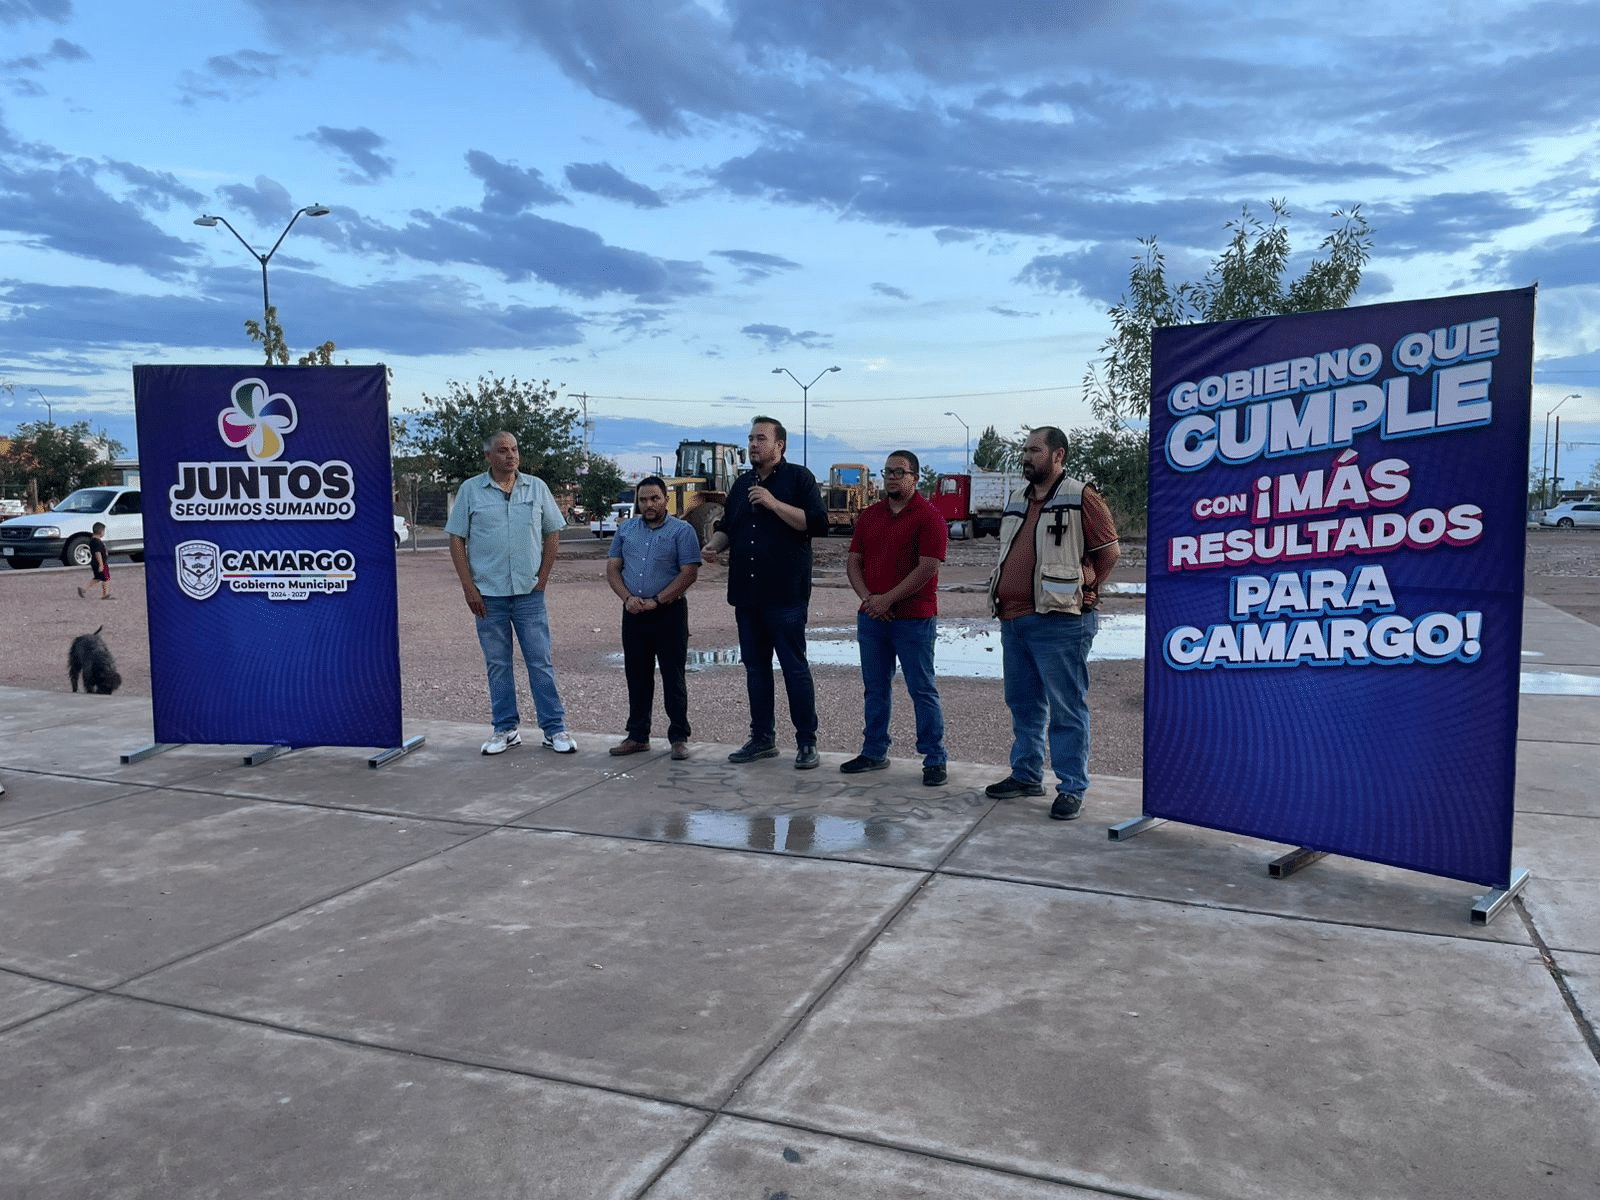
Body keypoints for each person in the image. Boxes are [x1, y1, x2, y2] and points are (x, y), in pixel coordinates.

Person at [985, 426, 1120, 820]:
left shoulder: (1081, 497)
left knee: (1066, 708)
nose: (1027, 457)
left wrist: (1088, 587)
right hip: (1014, 620)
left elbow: (1109, 552)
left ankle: (1072, 787)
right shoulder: (1017, 498)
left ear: (1058, 455)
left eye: (1035, 450)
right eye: (1025, 450)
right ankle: (1026, 774)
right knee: (1023, 704)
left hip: (1061, 622)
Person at [701, 416, 829, 769]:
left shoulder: (799, 479)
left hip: (785, 594)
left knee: (794, 668)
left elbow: (818, 524)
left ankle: (807, 742)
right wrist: (714, 545)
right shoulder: (742, 484)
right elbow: (728, 528)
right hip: (748, 594)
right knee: (756, 669)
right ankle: (762, 739)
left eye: (760, 438)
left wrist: (774, 504)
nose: (753, 445)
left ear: (779, 445)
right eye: (750, 439)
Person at [446, 430, 577, 756]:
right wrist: (468, 587)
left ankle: (554, 729)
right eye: (503, 450)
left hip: (529, 593)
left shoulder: (536, 488)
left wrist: (542, 579)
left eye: (515, 449)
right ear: (489, 456)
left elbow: (552, 533)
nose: (511, 455)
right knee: (498, 664)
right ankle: (505, 729)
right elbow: (456, 538)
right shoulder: (471, 490)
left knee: (540, 661)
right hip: (488, 595)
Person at [843, 450, 950, 786]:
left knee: (922, 689)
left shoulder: (929, 517)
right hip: (873, 619)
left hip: (913, 620)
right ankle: (874, 751)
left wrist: (887, 599)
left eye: (899, 472)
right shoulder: (870, 515)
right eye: (887, 471)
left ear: (915, 478)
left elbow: (928, 567)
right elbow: (853, 561)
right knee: (875, 689)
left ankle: (934, 759)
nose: (891, 477)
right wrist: (869, 600)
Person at [605, 475, 701, 760]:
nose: (649, 504)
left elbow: (689, 573)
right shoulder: (626, 530)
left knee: (673, 676)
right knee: (637, 676)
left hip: (669, 613)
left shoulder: (682, 531)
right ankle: (637, 736)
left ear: (666, 499)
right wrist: (627, 599)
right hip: (634, 613)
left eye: (654, 498)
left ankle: (679, 738)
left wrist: (658, 600)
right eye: (643, 499)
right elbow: (613, 569)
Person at [77, 522, 112, 600]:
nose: (104, 533)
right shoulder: (97, 542)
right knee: (106, 578)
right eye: (103, 531)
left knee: (97, 578)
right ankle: (105, 594)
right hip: (100, 563)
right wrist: (101, 564)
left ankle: (83, 588)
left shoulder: (93, 540)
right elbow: (98, 553)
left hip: (95, 563)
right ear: (100, 531)